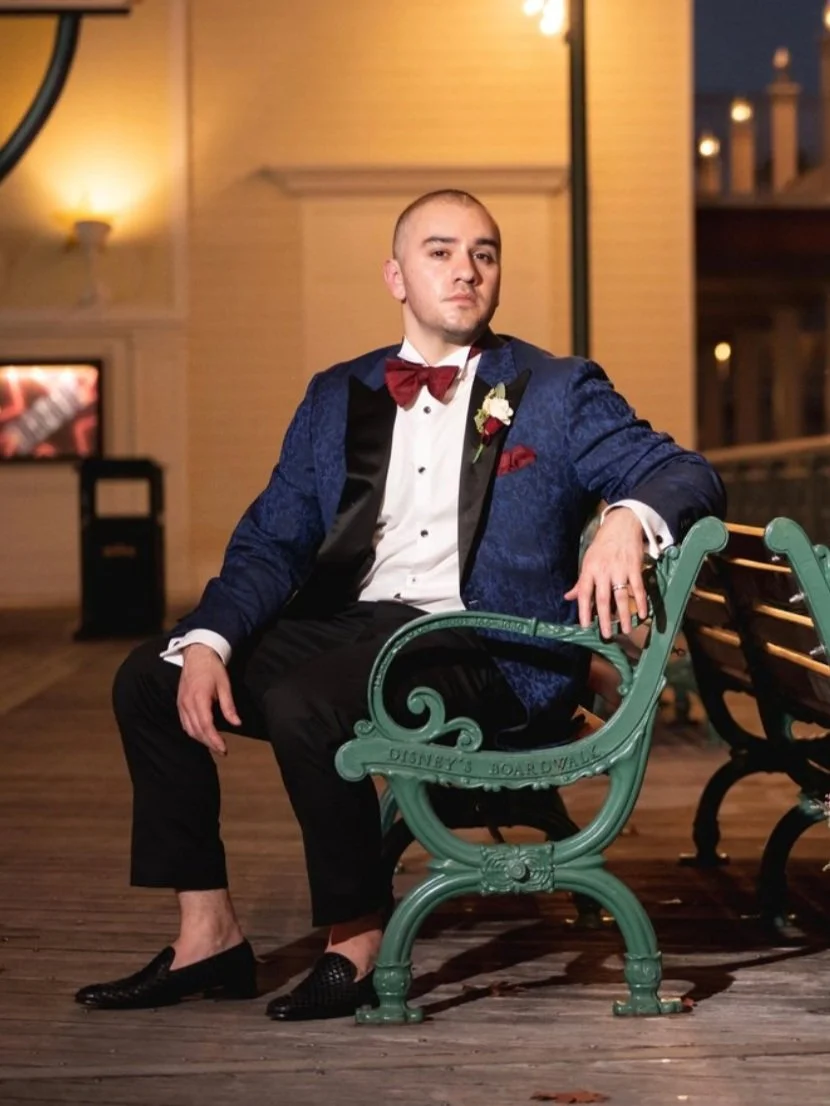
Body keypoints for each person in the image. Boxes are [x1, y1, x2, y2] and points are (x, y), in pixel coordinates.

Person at [75, 189, 725, 1020]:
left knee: (306, 700)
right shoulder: (335, 395)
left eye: (483, 253)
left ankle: (356, 939)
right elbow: (272, 541)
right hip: (359, 620)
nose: (466, 269)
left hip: (493, 644)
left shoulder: (556, 389)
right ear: (396, 276)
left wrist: (627, 521)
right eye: (441, 251)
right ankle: (210, 937)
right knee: (149, 678)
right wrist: (208, 638)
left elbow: (686, 472)